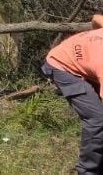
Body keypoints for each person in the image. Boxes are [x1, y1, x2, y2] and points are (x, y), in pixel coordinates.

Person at [42, 14, 103, 174]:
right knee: (97, 119)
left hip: (85, 60)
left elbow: (97, 18)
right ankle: (88, 170)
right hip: (62, 65)